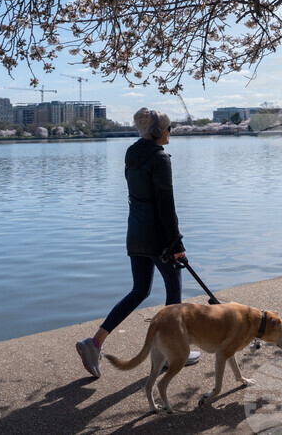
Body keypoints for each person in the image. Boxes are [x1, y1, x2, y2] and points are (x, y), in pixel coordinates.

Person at [76, 108, 200, 378]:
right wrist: (176, 243)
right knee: (173, 294)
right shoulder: (160, 159)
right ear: (157, 132)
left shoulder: (131, 154)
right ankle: (172, 354)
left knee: (140, 290)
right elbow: (166, 206)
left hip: (135, 234)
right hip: (158, 238)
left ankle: (94, 342)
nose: (171, 132)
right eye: (168, 128)